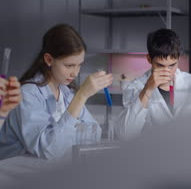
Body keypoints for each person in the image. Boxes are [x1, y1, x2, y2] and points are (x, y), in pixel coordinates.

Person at [0, 24, 113, 160]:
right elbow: (51, 150)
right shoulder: (27, 94)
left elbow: (94, 133)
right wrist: (81, 96)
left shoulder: (66, 92)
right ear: (49, 60)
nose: (75, 73)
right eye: (69, 65)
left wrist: (64, 134)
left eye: (79, 65)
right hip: (16, 175)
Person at [114, 29, 191, 140]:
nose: (166, 71)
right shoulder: (136, 87)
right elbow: (125, 134)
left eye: (172, 65)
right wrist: (147, 90)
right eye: (160, 65)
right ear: (149, 59)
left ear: (178, 59)